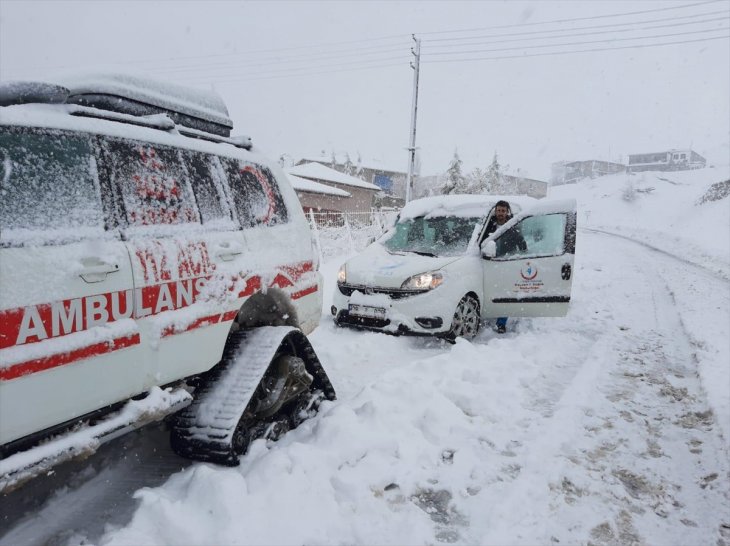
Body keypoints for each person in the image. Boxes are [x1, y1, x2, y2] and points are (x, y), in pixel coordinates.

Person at [484, 200, 527, 334]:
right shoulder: (488, 225)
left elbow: (522, 244)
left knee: (505, 293)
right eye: (498, 210)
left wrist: (522, 256)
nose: (500, 213)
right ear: (495, 211)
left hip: (507, 263)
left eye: (503, 211)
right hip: (489, 262)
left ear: (507, 212)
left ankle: (501, 323)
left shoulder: (512, 225)